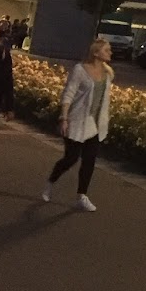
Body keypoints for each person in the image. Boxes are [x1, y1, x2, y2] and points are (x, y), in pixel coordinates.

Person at [43, 38, 115, 211]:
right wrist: (64, 117)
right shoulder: (80, 70)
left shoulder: (108, 73)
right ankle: (51, 181)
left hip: (96, 125)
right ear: (96, 53)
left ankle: (82, 195)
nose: (110, 53)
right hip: (77, 121)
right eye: (107, 50)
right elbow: (69, 93)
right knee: (71, 158)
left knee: (89, 160)